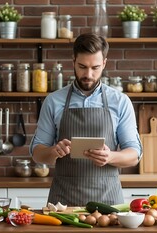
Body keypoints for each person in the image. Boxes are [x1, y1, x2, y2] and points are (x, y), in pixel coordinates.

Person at [29, 33, 142, 206]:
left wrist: (110, 156)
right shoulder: (53, 101)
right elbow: (37, 153)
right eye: (82, 66)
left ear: (104, 63)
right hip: (63, 204)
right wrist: (53, 152)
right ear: (73, 60)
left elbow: (134, 154)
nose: (88, 74)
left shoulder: (120, 101)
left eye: (95, 67)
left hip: (108, 203)